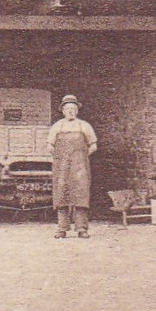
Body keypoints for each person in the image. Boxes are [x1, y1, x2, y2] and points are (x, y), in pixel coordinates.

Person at [47, 95, 98, 238]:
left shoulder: (84, 126)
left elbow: (93, 145)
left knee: (81, 195)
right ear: (63, 111)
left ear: (77, 111)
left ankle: (81, 228)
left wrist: (82, 156)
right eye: (67, 109)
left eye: (73, 109)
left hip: (80, 167)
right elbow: (49, 145)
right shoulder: (57, 126)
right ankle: (62, 228)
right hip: (61, 167)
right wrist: (59, 156)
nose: (70, 111)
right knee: (61, 195)